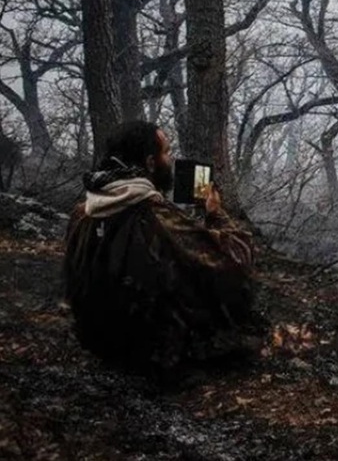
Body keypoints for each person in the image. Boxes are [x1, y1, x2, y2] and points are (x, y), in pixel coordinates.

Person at [63, 121, 260, 375]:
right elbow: (235, 258)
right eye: (167, 152)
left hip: (96, 340)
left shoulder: (82, 212)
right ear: (150, 163)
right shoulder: (152, 215)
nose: (171, 159)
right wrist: (216, 214)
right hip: (145, 353)